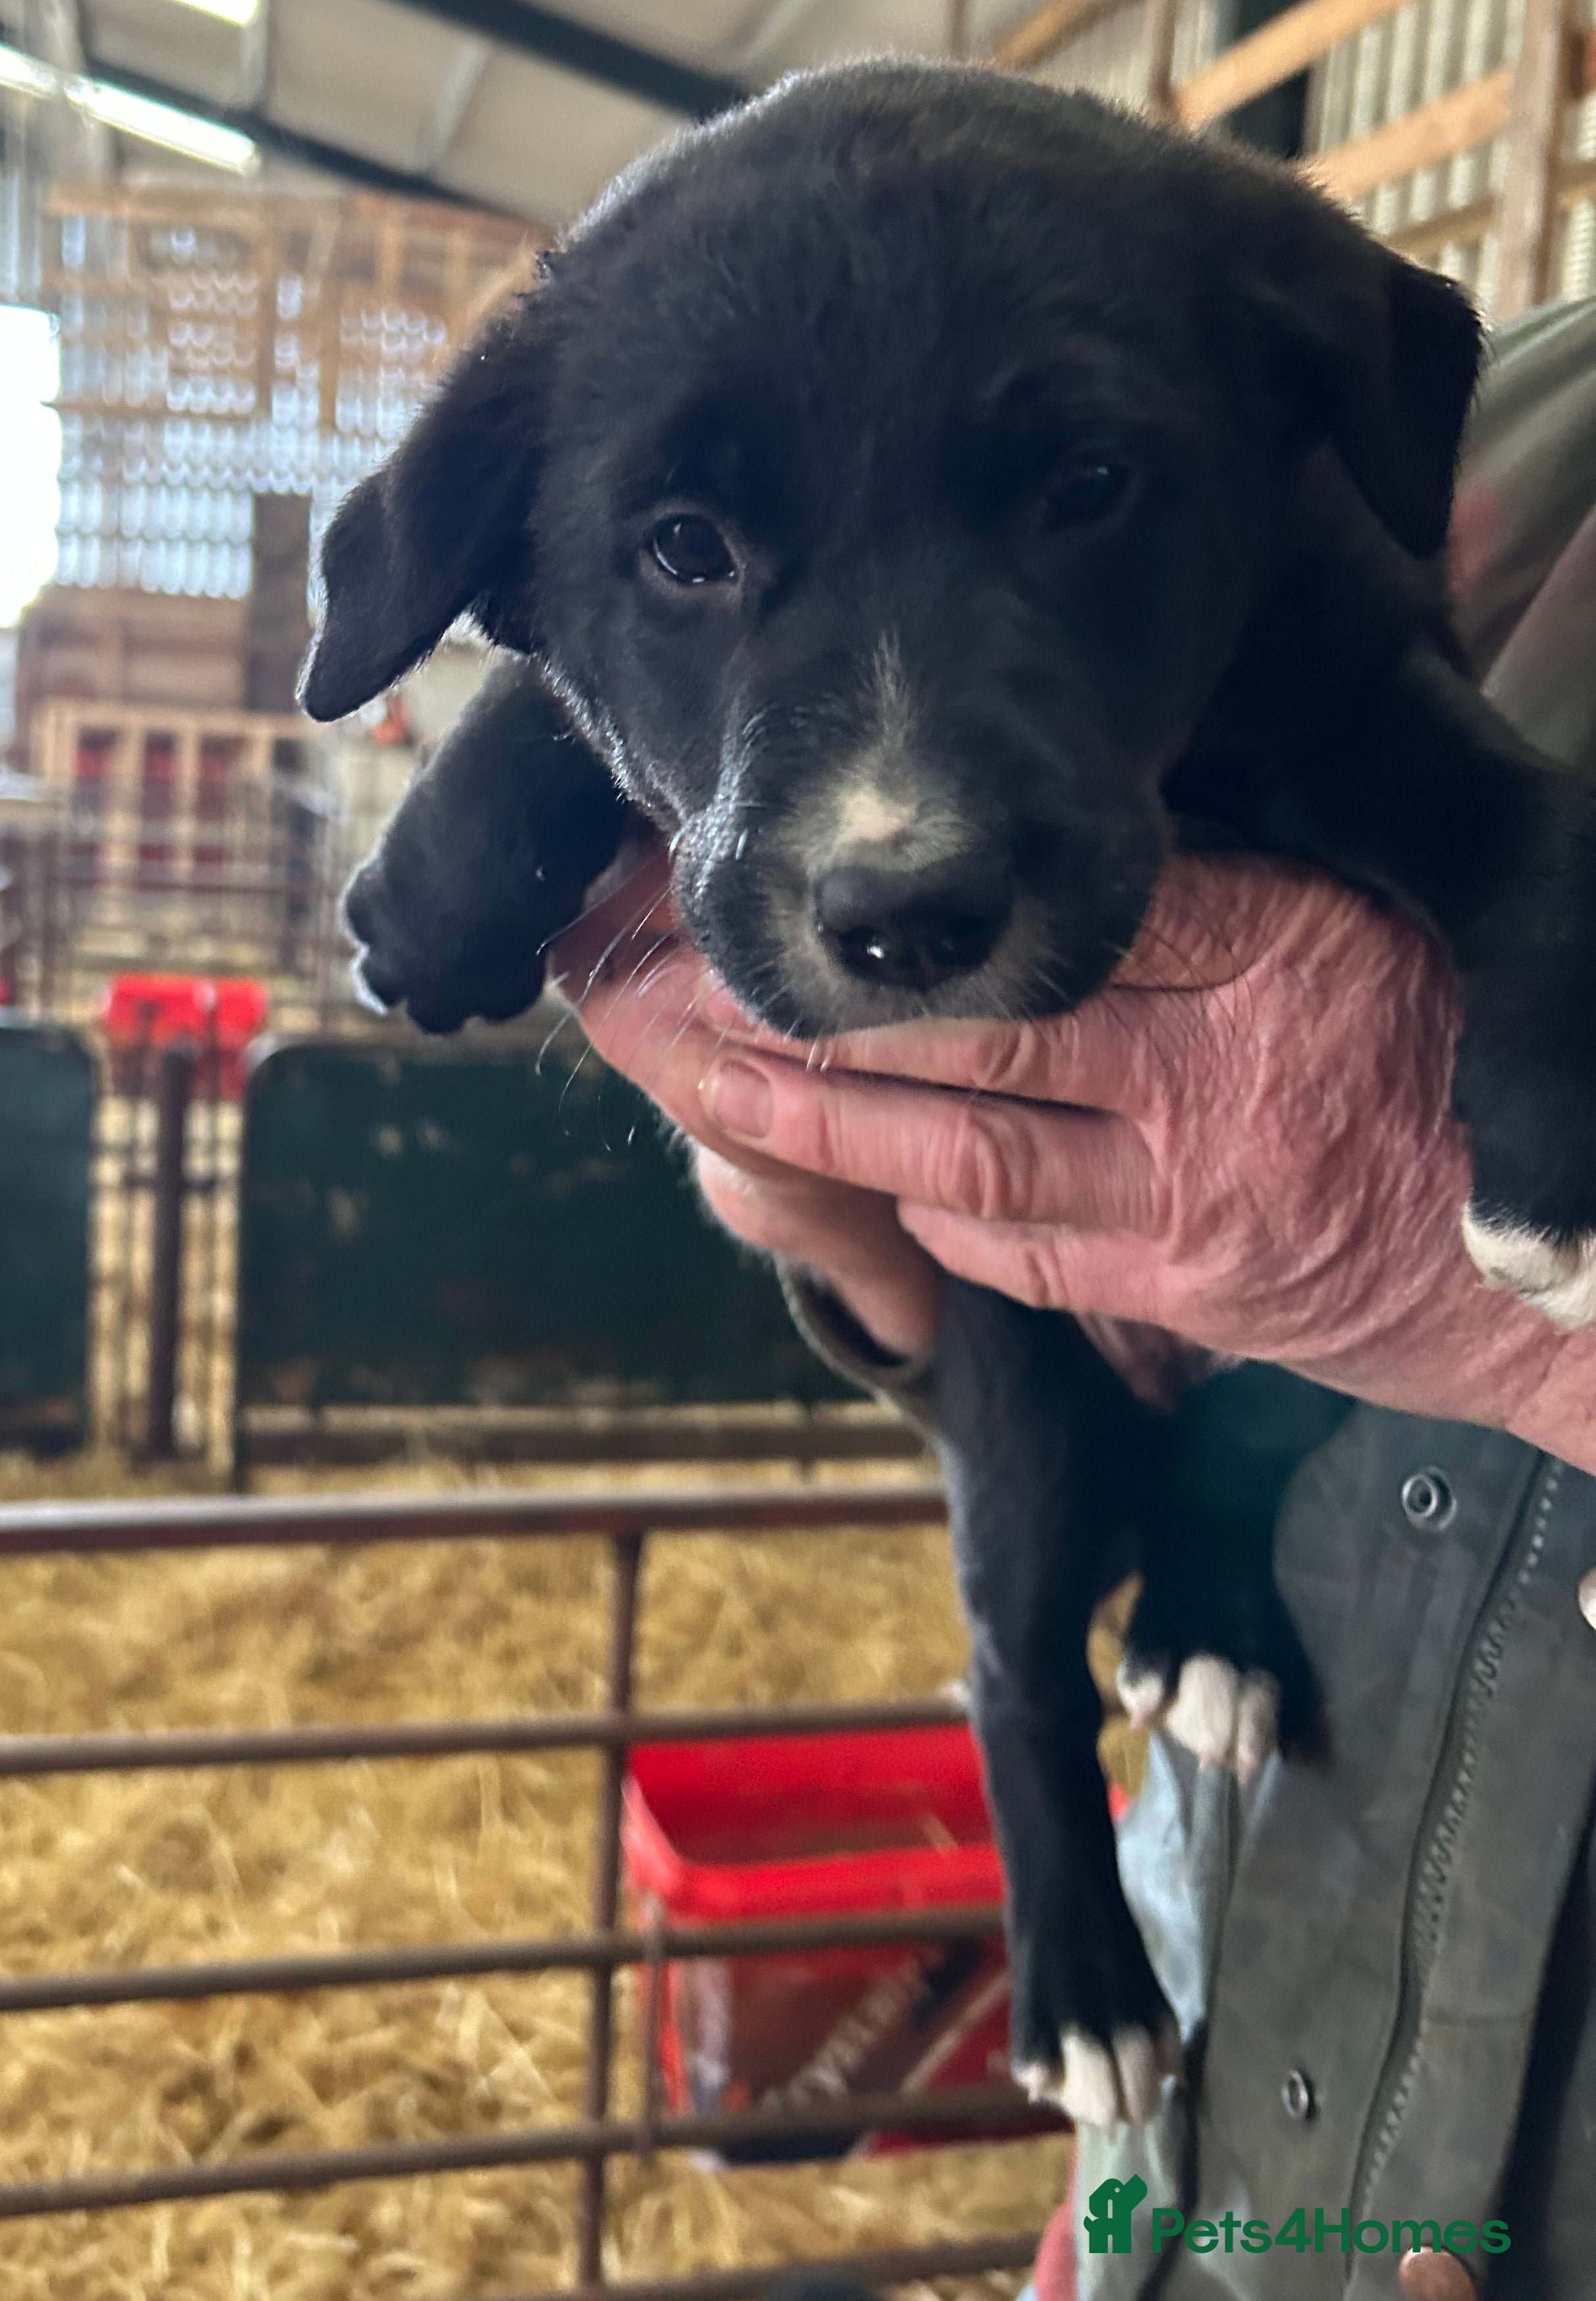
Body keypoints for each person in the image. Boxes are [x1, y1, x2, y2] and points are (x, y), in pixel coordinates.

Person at [554, 300, 1596, 2297]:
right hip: (1218, 2126)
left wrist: (1463, 1294)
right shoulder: (1502, 418)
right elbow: (1149, 1255)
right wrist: (871, 1219)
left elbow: (1347, 1183)